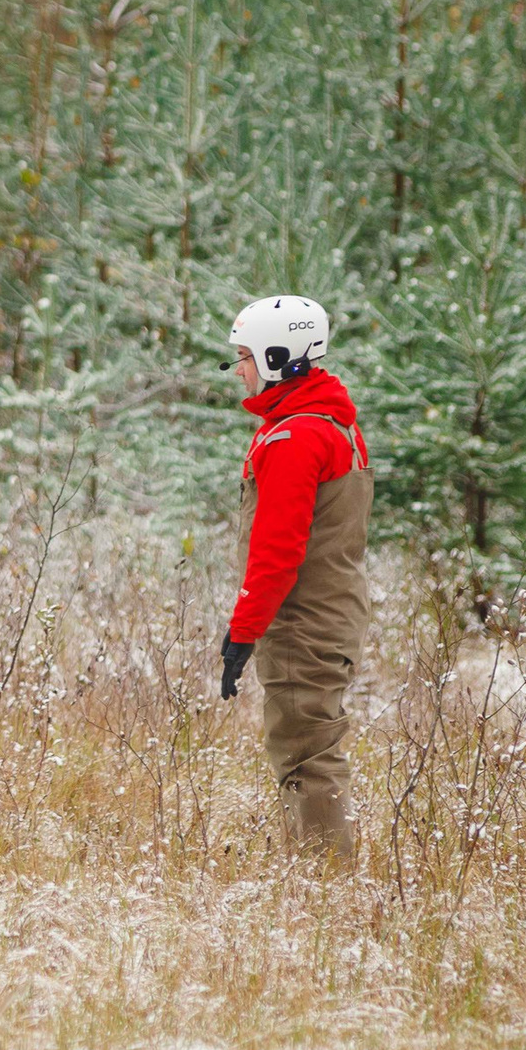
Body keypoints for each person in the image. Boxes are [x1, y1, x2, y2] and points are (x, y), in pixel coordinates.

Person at [217, 295, 372, 860]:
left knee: (306, 755)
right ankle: (321, 880)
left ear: (281, 357)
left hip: (304, 622)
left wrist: (243, 632)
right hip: (330, 612)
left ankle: (326, 895)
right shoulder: (332, 424)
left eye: (245, 356)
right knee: (309, 747)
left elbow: (277, 551)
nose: (238, 370)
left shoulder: (295, 437)